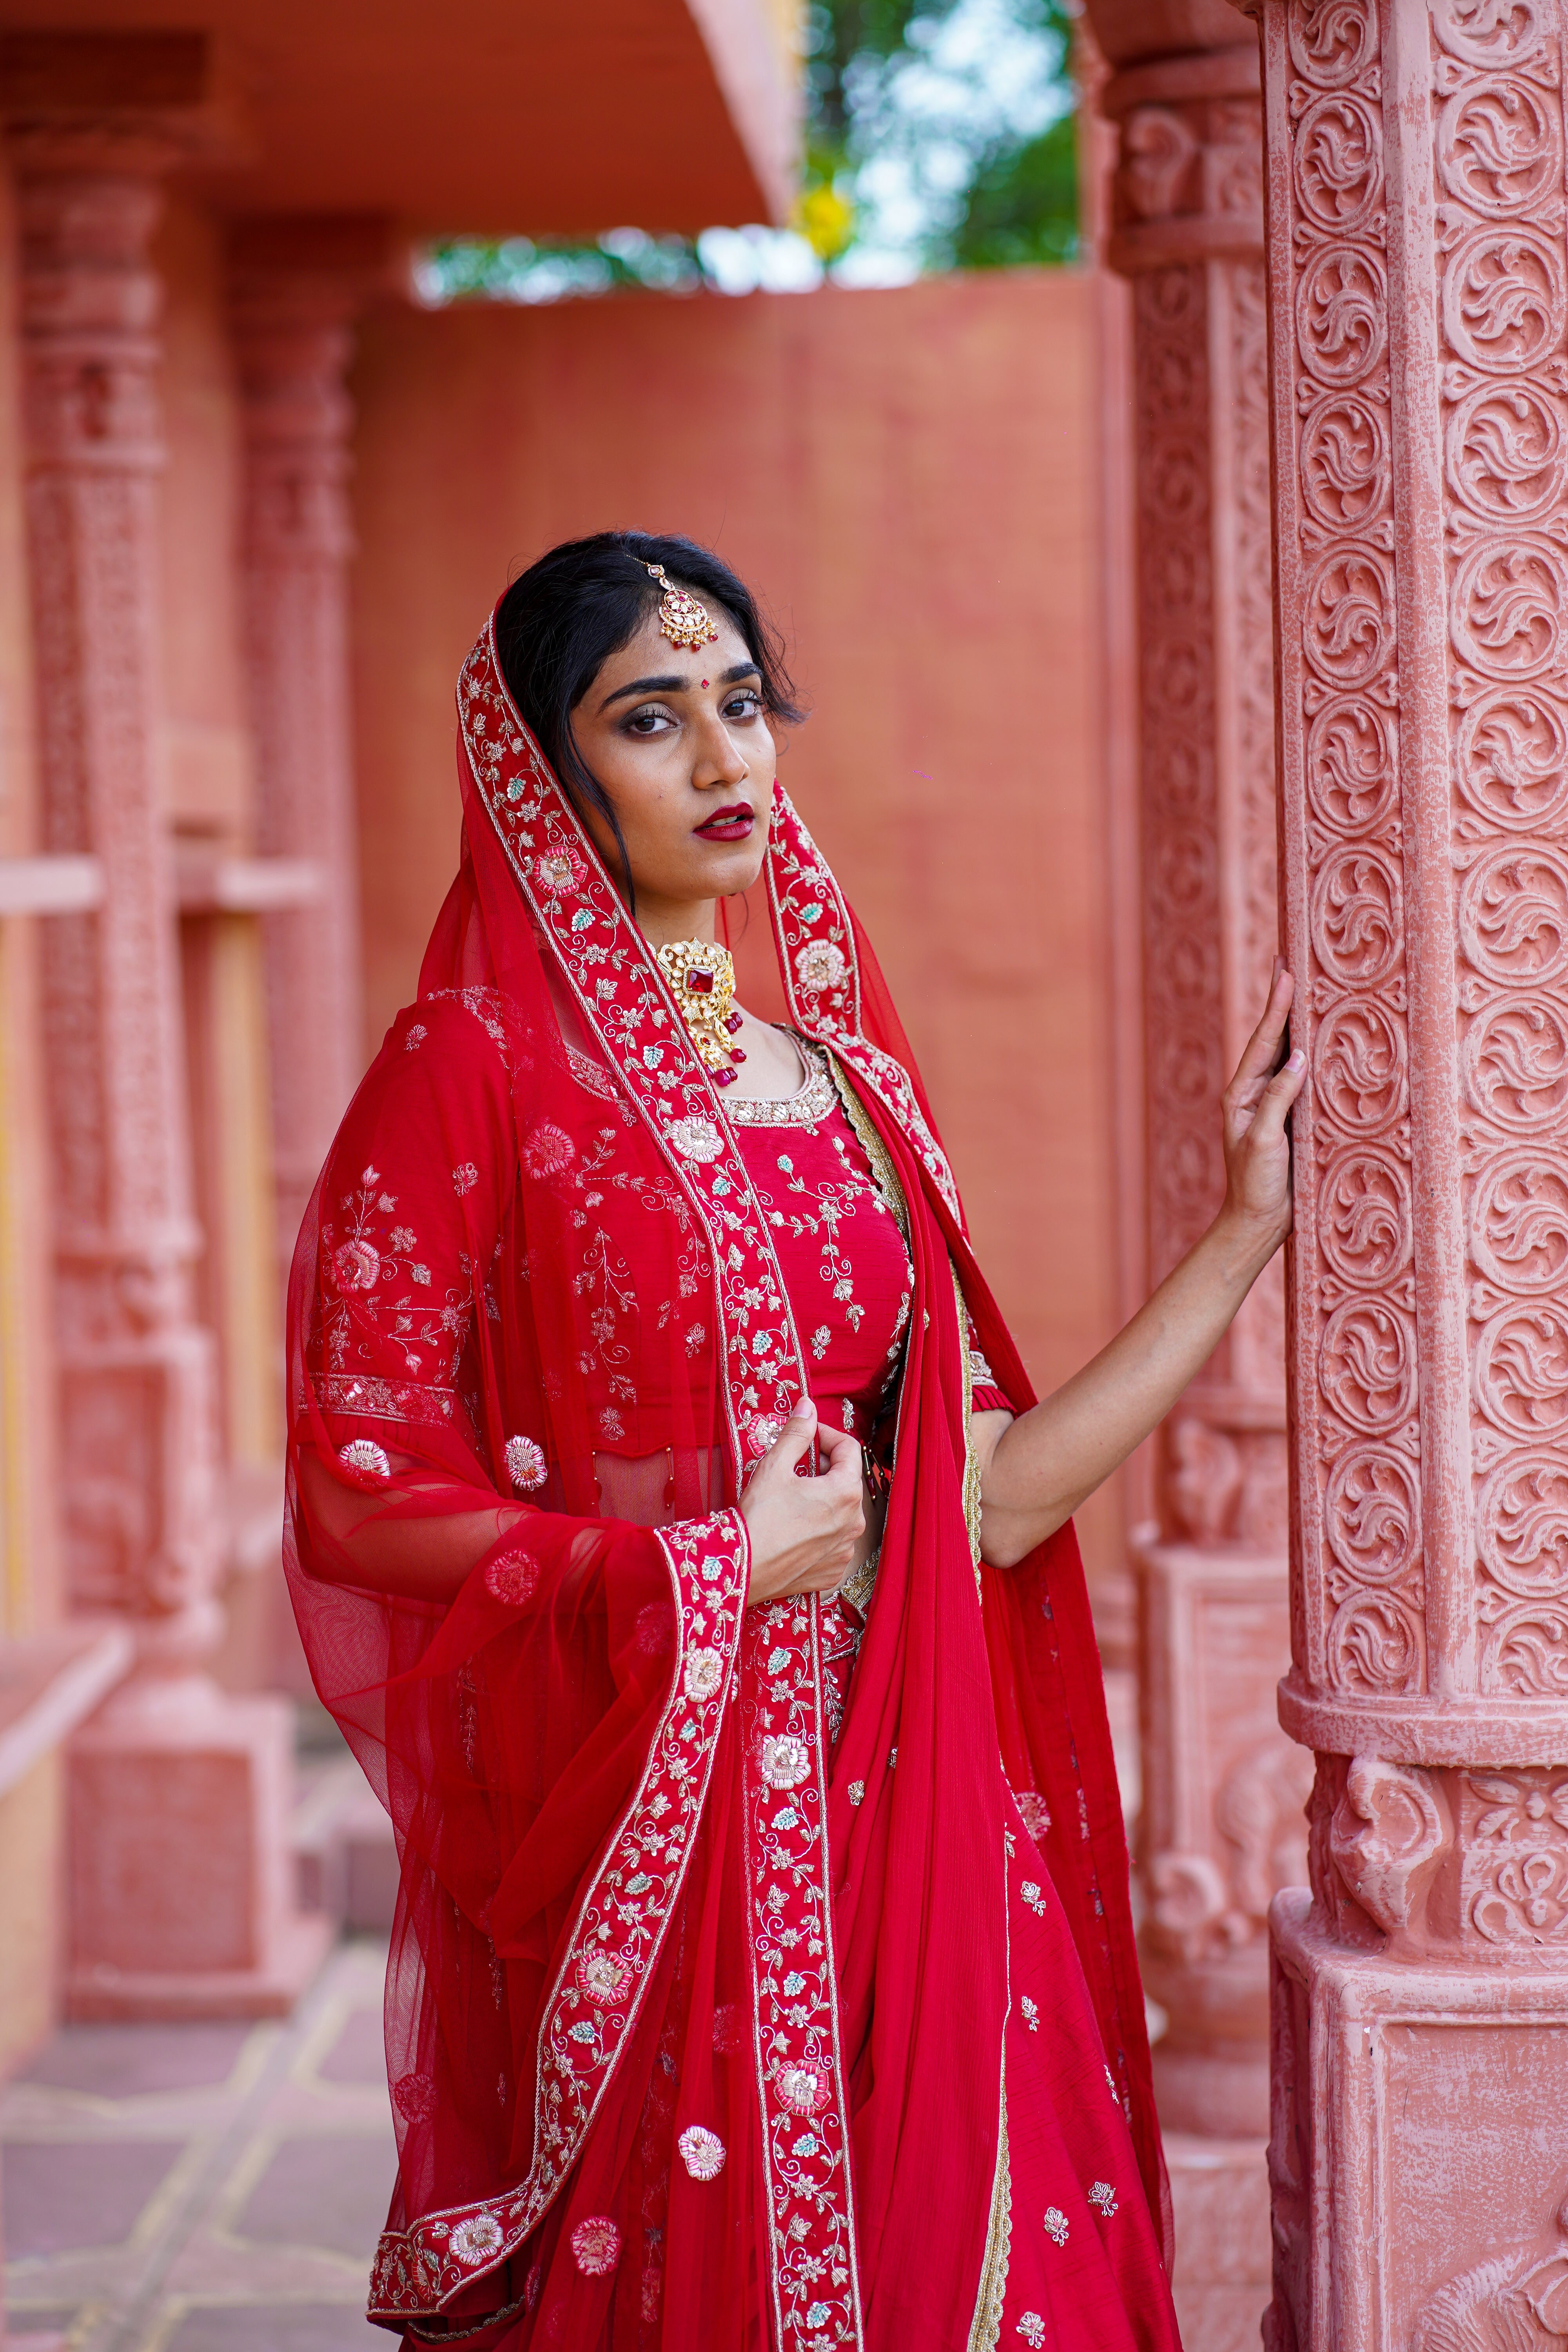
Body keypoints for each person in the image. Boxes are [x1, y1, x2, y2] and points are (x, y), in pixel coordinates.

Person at [285, 531, 1304, 2351]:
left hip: (920, 1810)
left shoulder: (842, 1090)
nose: (724, 757)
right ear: (547, 775)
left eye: (742, 706)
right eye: (652, 719)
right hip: (662, 1830)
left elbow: (984, 1504)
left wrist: (1241, 1237)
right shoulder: (473, 1067)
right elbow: (356, 1490)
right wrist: (692, 1569)